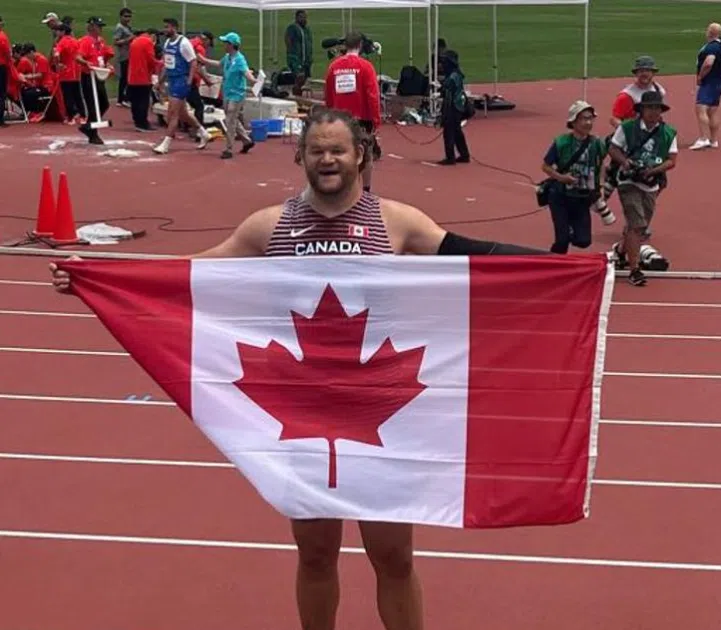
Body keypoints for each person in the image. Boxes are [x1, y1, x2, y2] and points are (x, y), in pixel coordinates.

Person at [50, 106, 547, 630]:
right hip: (302, 415)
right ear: (301, 157)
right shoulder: (270, 226)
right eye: (317, 151)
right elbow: (190, 276)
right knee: (315, 553)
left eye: (337, 150)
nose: (327, 160)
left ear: (360, 155)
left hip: (382, 411)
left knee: (394, 556)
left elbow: (477, 258)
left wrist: (560, 268)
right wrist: (100, 276)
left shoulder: (395, 222)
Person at [607, 91, 678, 286]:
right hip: (628, 182)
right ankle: (634, 269)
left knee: (640, 226)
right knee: (637, 223)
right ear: (641, 110)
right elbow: (613, 149)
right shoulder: (627, 128)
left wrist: (652, 170)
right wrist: (627, 163)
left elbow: (672, 161)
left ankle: (621, 251)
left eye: (657, 108)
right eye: (650, 108)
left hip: (651, 184)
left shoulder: (668, 132)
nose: (654, 112)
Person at [541, 100, 606, 254]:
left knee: (584, 241)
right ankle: (554, 263)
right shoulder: (561, 142)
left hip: (582, 197)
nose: (588, 122)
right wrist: (562, 178)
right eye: (584, 118)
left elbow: (601, 164)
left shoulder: (597, 143)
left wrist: (601, 186)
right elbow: (545, 166)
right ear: (573, 122)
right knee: (562, 241)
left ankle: (568, 231)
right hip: (560, 196)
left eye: (590, 118)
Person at [324, 31, 381, 192]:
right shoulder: (366, 66)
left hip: (339, 118)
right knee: (366, 155)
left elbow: (328, 93)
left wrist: (330, 114)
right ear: (360, 46)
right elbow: (372, 95)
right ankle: (366, 188)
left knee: (341, 152)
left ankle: (343, 186)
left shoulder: (334, 66)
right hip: (362, 118)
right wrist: (376, 119)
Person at [153, 17, 211, 155]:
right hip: (172, 80)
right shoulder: (167, 43)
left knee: (172, 113)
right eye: (164, 27)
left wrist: (189, 80)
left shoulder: (184, 43)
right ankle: (203, 132)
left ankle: (166, 143)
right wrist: (160, 81)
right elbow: (167, 64)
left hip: (181, 80)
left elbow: (193, 62)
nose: (165, 29)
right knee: (183, 114)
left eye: (167, 27)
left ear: (174, 28)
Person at [198, 31, 256, 158]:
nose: (224, 45)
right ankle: (247, 141)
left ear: (232, 45)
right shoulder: (227, 57)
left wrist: (254, 81)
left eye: (226, 43)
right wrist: (203, 60)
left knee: (230, 119)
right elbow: (219, 64)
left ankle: (229, 149)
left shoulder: (240, 60)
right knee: (232, 118)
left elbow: (246, 73)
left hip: (237, 94)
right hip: (228, 92)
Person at [76, 16, 115, 145]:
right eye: (98, 26)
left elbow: (103, 57)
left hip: (98, 75)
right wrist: (86, 62)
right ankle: (93, 134)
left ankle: (88, 127)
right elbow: (78, 57)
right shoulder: (86, 41)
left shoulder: (101, 41)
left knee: (104, 103)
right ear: (91, 27)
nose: (100, 29)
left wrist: (107, 64)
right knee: (93, 106)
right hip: (88, 76)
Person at [689, 22, 721, 150]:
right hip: (718, 82)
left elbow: (709, 62)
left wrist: (701, 76)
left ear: (710, 32)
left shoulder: (712, 47)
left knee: (701, 108)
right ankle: (714, 140)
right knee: (712, 111)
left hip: (710, 82)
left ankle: (704, 138)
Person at [438, 50, 470, 165]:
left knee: (449, 131)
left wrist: (440, 86)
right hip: (458, 105)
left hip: (454, 106)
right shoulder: (456, 73)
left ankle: (450, 157)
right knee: (457, 131)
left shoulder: (453, 76)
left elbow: (447, 86)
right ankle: (464, 154)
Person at [285, 9, 312, 96]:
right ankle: (296, 98)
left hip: (306, 60)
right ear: (296, 18)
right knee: (299, 78)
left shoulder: (307, 30)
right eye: (301, 17)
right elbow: (288, 41)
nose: (304, 19)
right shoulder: (293, 28)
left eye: (305, 17)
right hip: (296, 59)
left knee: (304, 80)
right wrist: (293, 57)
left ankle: (299, 97)